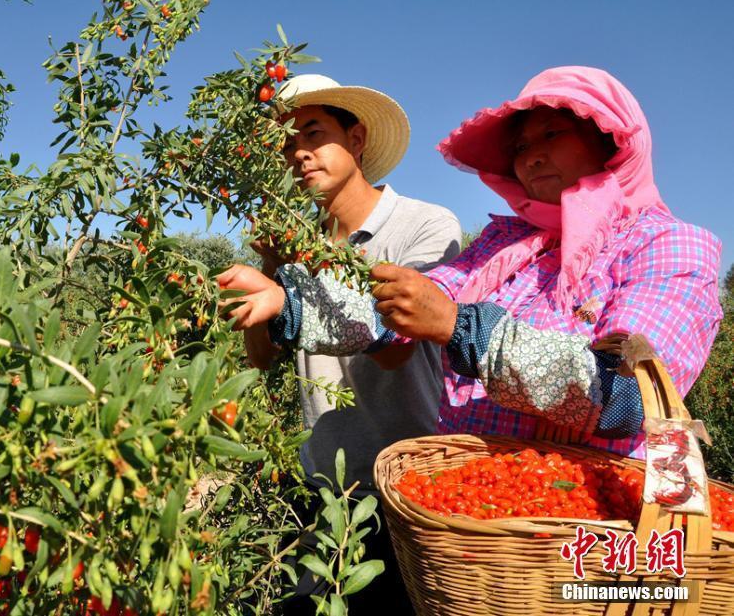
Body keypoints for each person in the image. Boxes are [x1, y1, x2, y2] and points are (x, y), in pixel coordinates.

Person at [219, 66, 723, 463]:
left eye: (552, 134)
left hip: (578, 528)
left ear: (609, 139)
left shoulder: (670, 246)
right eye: (522, 146)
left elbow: (630, 397)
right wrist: (287, 302)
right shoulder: (504, 247)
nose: (532, 156)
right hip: (468, 516)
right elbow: (400, 311)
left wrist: (460, 327)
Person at [244, 74, 460, 613]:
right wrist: (273, 270)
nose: (299, 153)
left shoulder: (425, 226)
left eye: (313, 133)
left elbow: (397, 344)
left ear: (357, 139)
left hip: (406, 491)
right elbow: (262, 357)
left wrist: (296, 289)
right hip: (319, 485)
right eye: (287, 144)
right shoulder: (294, 244)